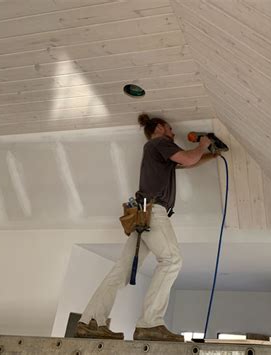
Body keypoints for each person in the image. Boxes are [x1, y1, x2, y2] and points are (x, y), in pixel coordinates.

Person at [75, 114, 214, 341]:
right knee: (172, 260)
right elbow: (188, 159)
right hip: (154, 212)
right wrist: (202, 144)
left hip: (143, 213)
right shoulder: (160, 143)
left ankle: (90, 321)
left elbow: (189, 161)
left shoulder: (156, 151)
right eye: (170, 128)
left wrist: (211, 153)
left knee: (121, 270)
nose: (173, 133)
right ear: (159, 128)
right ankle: (150, 323)